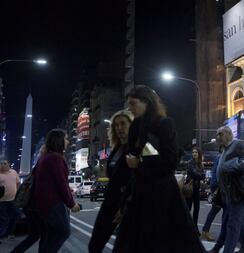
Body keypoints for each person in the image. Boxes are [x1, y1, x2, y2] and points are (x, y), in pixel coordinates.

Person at [113, 85, 204, 252]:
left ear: (146, 102)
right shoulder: (135, 127)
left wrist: (139, 164)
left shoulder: (164, 124)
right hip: (140, 194)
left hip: (162, 194)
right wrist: (123, 202)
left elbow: (170, 161)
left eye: (133, 104)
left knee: (164, 242)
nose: (130, 108)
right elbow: (132, 164)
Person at [88, 110, 134, 253]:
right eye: (116, 125)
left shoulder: (138, 147)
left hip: (127, 205)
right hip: (109, 203)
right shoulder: (116, 149)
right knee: (94, 245)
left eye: (123, 124)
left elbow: (140, 178)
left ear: (131, 125)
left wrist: (125, 206)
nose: (119, 128)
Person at [207, 126, 244, 253]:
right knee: (239, 226)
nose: (218, 137)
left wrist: (235, 167)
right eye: (217, 134)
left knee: (233, 226)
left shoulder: (238, 144)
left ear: (229, 133)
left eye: (220, 134)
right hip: (228, 194)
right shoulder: (225, 149)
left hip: (237, 192)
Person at [34, 129, 81, 253]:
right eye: (66, 139)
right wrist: (72, 204)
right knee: (63, 232)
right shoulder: (56, 158)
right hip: (53, 203)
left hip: (43, 204)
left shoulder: (45, 157)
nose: (68, 142)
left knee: (48, 235)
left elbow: (52, 181)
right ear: (58, 140)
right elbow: (61, 184)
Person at [11, 145, 47, 253]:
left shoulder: (38, 165)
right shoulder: (45, 164)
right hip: (36, 207)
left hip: (31, 206)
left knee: (35, 236)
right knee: (44, 235)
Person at [200, 145, 224, 241]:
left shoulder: (220, 157)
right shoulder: (221, 158)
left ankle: (205, 230)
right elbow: (219, 174)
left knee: (217, 210)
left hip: (218, 186)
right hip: (219, 187)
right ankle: (206, 231)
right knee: (219, 209)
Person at [186, 147, 205, 233]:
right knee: (188, 208)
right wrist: (199, 175)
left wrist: (199, 175)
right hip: (190, 188)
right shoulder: (190, 162)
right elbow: (193, 173)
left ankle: (195, 227)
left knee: (197, 209)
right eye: (193, 152)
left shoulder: (201, 163)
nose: (194, 154)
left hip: (197, 189)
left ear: (199, 154)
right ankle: (186, 227)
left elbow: (203, 176)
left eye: (196, 152)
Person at [0, 159, 20, 242]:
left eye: (4, 163)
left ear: (9, 164)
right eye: (1, 164)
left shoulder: (14, 172)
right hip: (1, 201)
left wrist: (17, 194)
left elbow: (18, 183)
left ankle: (10, 233)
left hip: (13, 200)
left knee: (16, 214)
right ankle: (1, 235)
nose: (2, 165)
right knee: (4, 219)